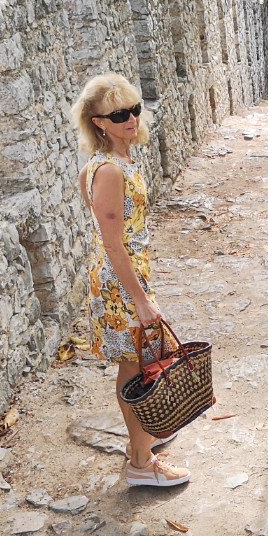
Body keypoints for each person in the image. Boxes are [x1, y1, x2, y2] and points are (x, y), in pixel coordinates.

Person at [73, 74, 190, 488]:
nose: (131, 119)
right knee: (143, 367)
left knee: (135, 363)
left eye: (134, 110)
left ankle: (141, 443)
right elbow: (112, 243)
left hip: (125, 275)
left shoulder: (111, 163)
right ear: (99, 123)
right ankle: (141, 462)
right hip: (120, 282)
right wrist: (140, 299)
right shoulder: (108, 170)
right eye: (119, 115)